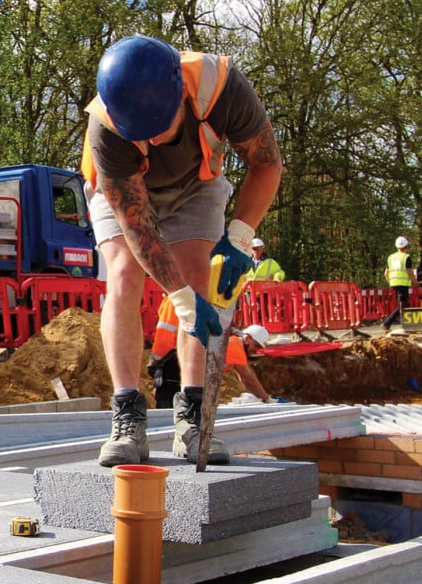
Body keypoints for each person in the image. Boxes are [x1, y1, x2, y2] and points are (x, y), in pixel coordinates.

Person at [79, 34, 283, 466]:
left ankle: (193, 416)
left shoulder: (222, 88)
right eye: (141, 134)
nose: (150, 143)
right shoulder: (106, 128)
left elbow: (267, 163)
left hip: (195, 185)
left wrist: (242, 236)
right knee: (123, 275)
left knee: (197, 274)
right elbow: (136, 226)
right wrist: (180, 299)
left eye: (158, 129)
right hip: (126, 193)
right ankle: (127, 415)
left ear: (181, 97)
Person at [149, 298, 275, 406]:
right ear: (247, 338)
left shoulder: (230, 342)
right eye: (256, 345)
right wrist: (267, 399)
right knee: (172, 408)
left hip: (180, 368)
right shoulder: (235, 346)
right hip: (176, 369)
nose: (255, 350)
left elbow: (244, 378)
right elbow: (248, 378)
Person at [381, 236, 418, 330]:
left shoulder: (391, 257)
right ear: (407, 246)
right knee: (403, 305)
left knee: (405, 304)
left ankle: (408, 325)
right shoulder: (406, 257)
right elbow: (410, 272)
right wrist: (416, 284)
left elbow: (386, 273)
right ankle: (387, 323)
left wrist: (391, 282)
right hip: (403, 284)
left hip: (394, 283)